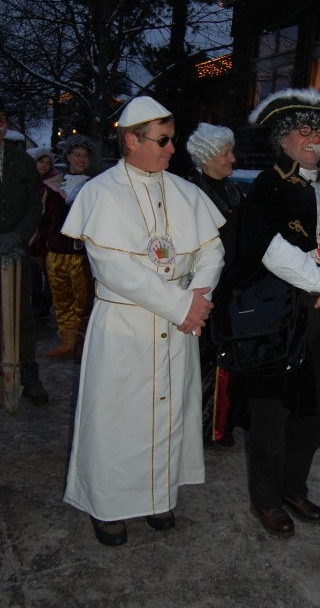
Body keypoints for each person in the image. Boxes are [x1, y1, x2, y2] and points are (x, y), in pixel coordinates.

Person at [62, 96, 225, 546]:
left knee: (168, 413)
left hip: (178, 326)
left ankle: (158, 495)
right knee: (116, 420)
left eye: (172, 139)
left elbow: (212, 250)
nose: (172, 148)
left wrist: (199, 295)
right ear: (132, 141)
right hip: (125, 325)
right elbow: (114, 268)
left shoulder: (186, 191)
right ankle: (107, 506)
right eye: (163, 140)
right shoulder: (100, 193)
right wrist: (182, 306)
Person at [227, 87, 320, 538]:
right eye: (304, 130)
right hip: (282, 314)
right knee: (272, 410)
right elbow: (273, 252)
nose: (314, 139)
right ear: (283, 139)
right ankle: (266, 498)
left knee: (314, 408)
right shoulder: (268, 186)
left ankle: (293, 487)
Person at [186, 122, 244, 447]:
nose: (232, 159)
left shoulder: (235, 192)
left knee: (226, 358)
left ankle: (219, 424)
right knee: (202, 360)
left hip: (232, 291)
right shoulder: (189, 193)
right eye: (226, 153)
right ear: (207, 157)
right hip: (203, 290)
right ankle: (199, 425)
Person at [30, 135, 95, 363]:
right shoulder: (53, 185)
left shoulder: (95, 186)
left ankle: (81, 343)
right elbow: (45, 219)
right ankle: (67, 343)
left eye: (85, 156)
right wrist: (38, 248)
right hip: (56, 253)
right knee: (62, 301)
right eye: (77, 154)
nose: (81, 159)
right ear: (68, 157)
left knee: (84, 302)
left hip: (83, 256)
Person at [0, 100, 48, 405]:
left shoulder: (21, 161)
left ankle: (28, 372)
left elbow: (34, 205)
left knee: (22, 315)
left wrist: (17, 236)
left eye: (2, 119)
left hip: (15, 253)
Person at [30, 148, 57, 319]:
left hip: (45, 230)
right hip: (31, 229)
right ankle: (36, 301)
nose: (44, 165)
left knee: (45, 269)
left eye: (48, 163)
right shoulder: (30, 180)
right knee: (33, 269)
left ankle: (45, 303)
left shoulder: (52, 183)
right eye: (41, 162)